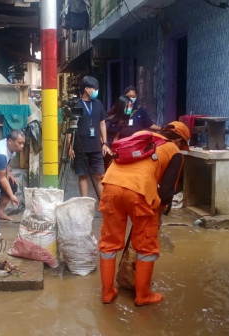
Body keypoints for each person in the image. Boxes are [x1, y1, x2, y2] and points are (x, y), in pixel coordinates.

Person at [98, 121, 190, 306]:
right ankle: (143, 295)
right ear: (179, 140)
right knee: (146, 246)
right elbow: (166, 192)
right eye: (183, 144)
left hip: (110, 185)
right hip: (139, 193)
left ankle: (107, 293)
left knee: (109, 243)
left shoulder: (141, 134)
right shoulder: (174, 152)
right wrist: (158, 213)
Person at [68, 75, 106, 198]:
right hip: (80, 147)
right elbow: (70, 128)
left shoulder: (98, 104)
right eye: (94, 88)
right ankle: (85, 203)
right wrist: (70, 147)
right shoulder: (76, 105)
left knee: (100, 175)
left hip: (96, 146)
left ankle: (103, 204)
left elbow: (102, 124)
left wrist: (105, 143)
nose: (96, 91)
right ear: (86, 89)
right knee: (83, 175)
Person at [102, 95, 131, 170]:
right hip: (102, 145)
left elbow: (116, 136)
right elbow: (100, 134)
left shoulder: (123, 120)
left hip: (110, 147)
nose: (131, 108)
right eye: (129, 106)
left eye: (131, 106)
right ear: (122, 107)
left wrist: (114, 149)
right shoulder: (110, 120)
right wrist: (106, 147)